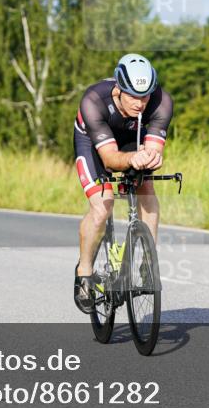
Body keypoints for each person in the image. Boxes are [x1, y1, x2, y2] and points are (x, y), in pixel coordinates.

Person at [72, 53, 173, 313]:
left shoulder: (161, 103)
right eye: (133, 96)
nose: (141, 103)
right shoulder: (94, 101)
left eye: (146, 96)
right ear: (118, 89)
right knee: (102, 205)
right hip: (94, 143)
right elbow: (110, 159)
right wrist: (132, 158)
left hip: (130, 136)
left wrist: (150, 158)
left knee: (146, 186)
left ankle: (147, 259)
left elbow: (152, 149)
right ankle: (84, 271)